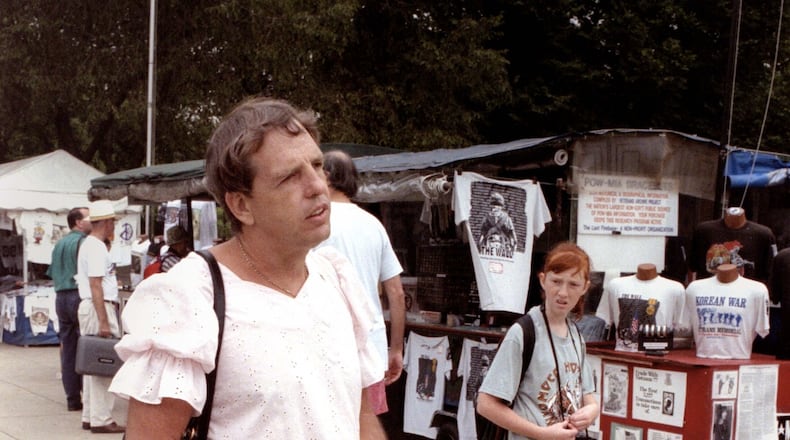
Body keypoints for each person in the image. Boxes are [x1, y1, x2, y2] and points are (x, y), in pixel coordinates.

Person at [109, 97, 385, 439]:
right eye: (289, 178)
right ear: (241, 205)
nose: (317, 187)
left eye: (316, 166)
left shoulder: (337, 279)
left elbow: (360, 417)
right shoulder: (191, 297)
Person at [477, 242, 599, 440]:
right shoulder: (523, 333)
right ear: (543, 280)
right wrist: (542, 434)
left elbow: (587, 395)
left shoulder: (576, 335)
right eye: (556, 281)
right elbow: (485, 404)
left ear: (585, 287)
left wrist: (592, 409)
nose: (563, 293)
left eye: (573, 284)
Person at [318, 149, 406, 415]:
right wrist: (396, 348)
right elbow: (397, 294)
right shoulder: (374, 225)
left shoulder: (316, 223)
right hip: (373, 349)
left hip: (327, 349)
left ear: (327, 176)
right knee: (366, 427)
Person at [75, 200, 125, 434]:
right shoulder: (95, 247)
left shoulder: (90, 245)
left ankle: (90, 415)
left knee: (92, 362)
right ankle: (101, 418)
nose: (114, 226)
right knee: (103, 363)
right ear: (106, 222)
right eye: (112, 221)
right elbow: (96, 285)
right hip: (99, 306)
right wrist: (104, 321)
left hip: (93, 306)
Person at [47, 206, 92, 412]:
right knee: (88, 345)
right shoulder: (83, 243)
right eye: (88, 217)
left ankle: (72, 397)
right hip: (77, 294)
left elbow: (52, 271)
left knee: (68, 347)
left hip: (61, 295)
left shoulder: (60, 244)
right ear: (78, 222)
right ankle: (87, 393)